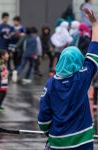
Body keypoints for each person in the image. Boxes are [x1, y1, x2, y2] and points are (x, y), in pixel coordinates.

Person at [38, 8, 98, 150]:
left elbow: (43, 119)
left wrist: (50, 133)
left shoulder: (51, 84)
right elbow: (95, 47)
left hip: (58, 142)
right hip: (83, 141)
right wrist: (95, 24)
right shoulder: (83, 76)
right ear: (78, 61)